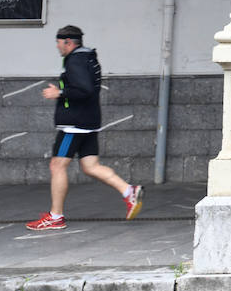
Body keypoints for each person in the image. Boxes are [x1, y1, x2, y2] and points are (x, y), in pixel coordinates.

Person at [26, 25, 143, 231]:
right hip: (88, 121)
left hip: (74, 125)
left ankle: (55, 217)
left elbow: (84, 89)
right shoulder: (86, 58)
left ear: (68, 42)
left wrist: (59, 93)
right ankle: (128, 191)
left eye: (58, 42)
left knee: (57, 166)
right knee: (90, 166)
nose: (57, 46)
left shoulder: (76, 60)